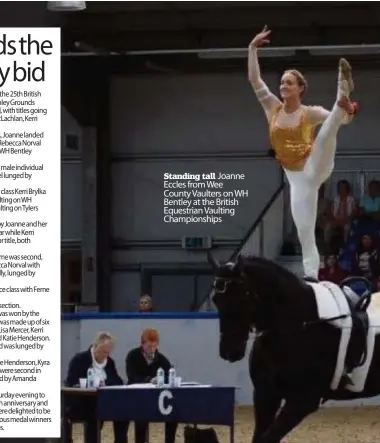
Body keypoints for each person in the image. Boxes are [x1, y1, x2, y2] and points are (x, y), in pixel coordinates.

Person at [248, 26, 358, 281]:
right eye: (282, 82)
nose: (283, 85)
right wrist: (252, 48)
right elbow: (255, 81)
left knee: (326, 132)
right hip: (296, 180)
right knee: (305, 232)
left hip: (315, 165)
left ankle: (343, 89)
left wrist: (348, 111)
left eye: (288, 82)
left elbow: (340, 122)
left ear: (300, 88)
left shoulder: (309, 112)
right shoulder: (273, 109)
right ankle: (312, 280)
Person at [64, 331, 128, 443]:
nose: (105, 355)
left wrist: (106, 383)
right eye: (103, 352)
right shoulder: (79, 359)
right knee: (94, 414)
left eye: (108, 352)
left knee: (123, 411)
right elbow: (71, 381)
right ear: (95, 346)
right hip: (81, 402)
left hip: (103, 402)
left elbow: (117, 381)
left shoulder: (109, 362)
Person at [126, 328, 178, 443]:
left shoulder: (161, 359)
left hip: (157, 397)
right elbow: (132, 377)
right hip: (138, 397)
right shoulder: (133, 356)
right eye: (149, 346)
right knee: (140, 416)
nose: (152, 349)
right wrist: (148, 380)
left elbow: (168, 375)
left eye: (154, 346)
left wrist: (162, 380)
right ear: (142, 344)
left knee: (173, 413)